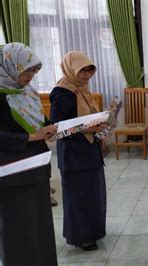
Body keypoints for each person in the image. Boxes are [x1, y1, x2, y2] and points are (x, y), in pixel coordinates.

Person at [0, 42, 58, 265]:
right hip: (12, 176)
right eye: (26, 69)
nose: (30, 75)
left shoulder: (27, 93)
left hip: (38, 170)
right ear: (10, 65)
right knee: (19, 230)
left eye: (34, 70)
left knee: (40, 226)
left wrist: (51, 129)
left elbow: (42, 123)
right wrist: (32, 137)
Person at [49, 51, 107, 251]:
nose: (87, 75)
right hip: (74, 154)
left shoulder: (83, 89)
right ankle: (81, 236)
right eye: (82, 70)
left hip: (89, 150)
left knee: (93, 193)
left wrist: (101, 124)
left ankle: (94, 230)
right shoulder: (62, 92)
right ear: (71, 68)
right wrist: (87, 128)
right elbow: (56, 128)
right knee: (78, 197)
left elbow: (87, 118)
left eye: (90, 70)